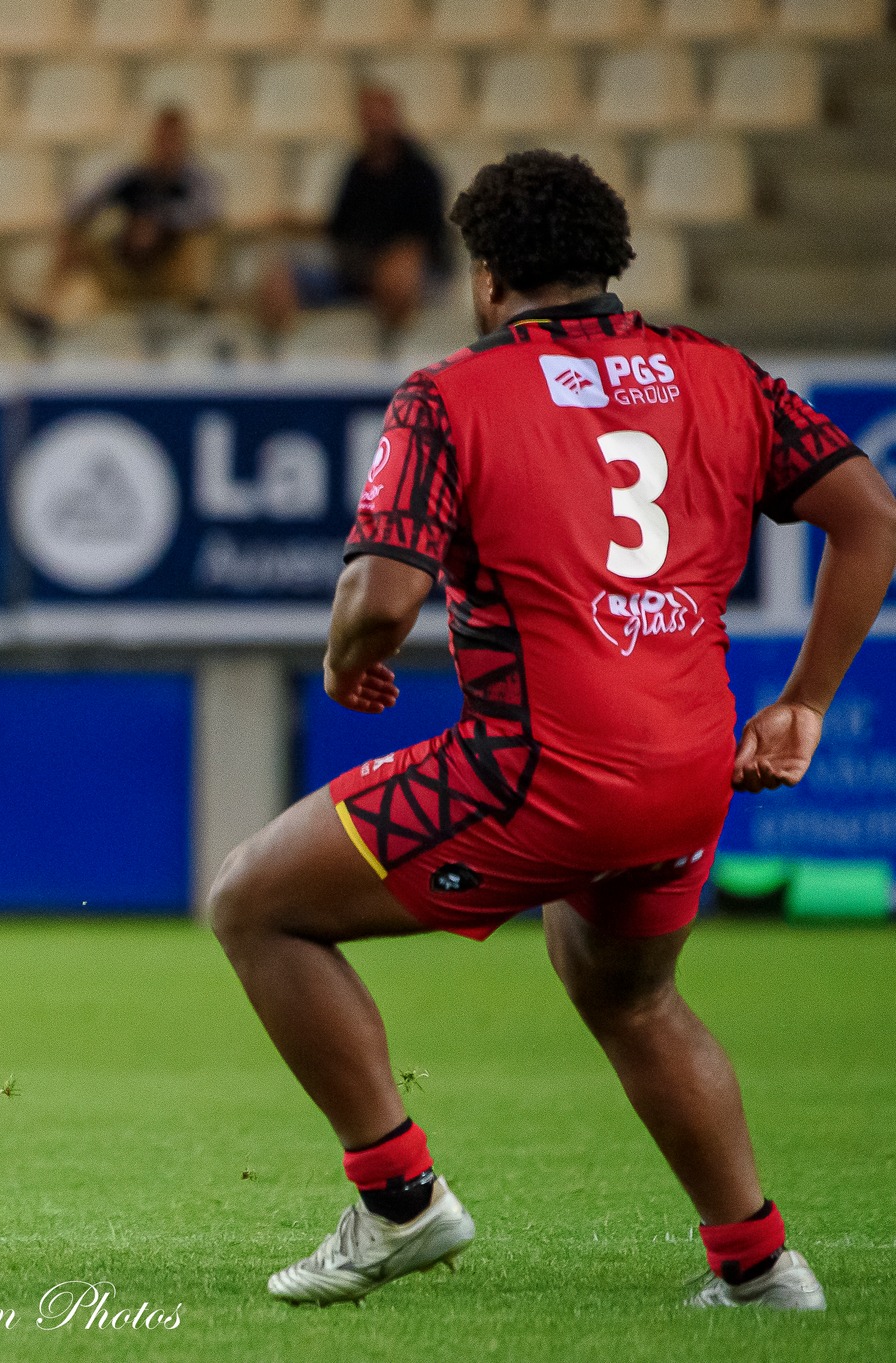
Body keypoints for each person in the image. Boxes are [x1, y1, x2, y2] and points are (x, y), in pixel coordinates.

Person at [209, 150, 896, 1309]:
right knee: (624, 989)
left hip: (540, 768)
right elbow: (868, 517)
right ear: (606, 262)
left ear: (485, 277)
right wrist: (805, 701)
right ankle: (758, 1265)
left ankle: (398, 1201)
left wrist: (346, 663)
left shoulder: (448, 395)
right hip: (690, 767)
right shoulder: (716, 374)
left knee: (253, 901)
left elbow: (380, 598)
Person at [255, 86, 449, 348]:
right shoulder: (355, 170)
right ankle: (279, 353)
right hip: (355, 268)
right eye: (368, 118)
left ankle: (395, 350)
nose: (374, 125)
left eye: (380, 117)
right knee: (279, 277)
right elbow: (337, 231)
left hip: (410, 273)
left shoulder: (421, 172)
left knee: (399, 272)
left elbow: (426, 240)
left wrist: (393, 261)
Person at [10, 105, 222, 340]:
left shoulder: (196, 182)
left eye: (173, 139)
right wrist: (129, 228)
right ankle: (46, 313)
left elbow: (206, 213)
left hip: (170, 274)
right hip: (126, 268)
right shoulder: (133, 177)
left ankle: (200, 310)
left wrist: (160, 223)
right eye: (162, 139)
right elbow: (81, 208)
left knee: (201, 240)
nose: (167, 147)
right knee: (73, 238)